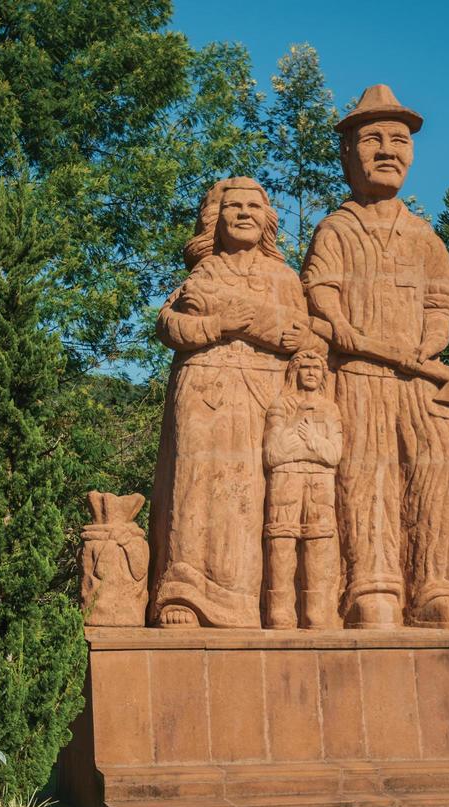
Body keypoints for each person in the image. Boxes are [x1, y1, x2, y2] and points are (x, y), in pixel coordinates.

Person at [301, 85, 449, 629]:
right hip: (359, 376)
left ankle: (436, 586)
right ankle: (371, 586)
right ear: (348, 151)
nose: (387, 149)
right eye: (372, 138)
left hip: (421, 382)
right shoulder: (337, 228)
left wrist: (431, 341)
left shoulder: (424, 235)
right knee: (364, 474)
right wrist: (345, 329)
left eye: (398, 140)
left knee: (436, 474)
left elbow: (440, 301)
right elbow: (319, 292)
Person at [148, 177, 314, 628]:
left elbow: (299, 334)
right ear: (214, 220)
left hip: (266, 394)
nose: (243, 213)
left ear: (266, 221)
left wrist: (262, 325)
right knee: (197, 485)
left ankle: (254, 601)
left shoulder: (283, 278)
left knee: (255, 495)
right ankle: (185, 593)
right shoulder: (203, 273)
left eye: (253, 206)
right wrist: (219, 324)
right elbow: (168, 324)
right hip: (205, 388)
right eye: (232, 206)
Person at [262, 350, 342, 629]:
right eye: (304, 367)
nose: (310, 372)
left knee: (318, 540)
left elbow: (334, 455)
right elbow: (273, 454)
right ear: (294, 371)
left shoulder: (330, 409)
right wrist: (303, 442)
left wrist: (313, 441)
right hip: (285, 479)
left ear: (323, 374)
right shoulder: (281, 406)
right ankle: (280, 609)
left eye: (316, 368)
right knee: (281, 539)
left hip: (320, 481)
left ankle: (316, 610)